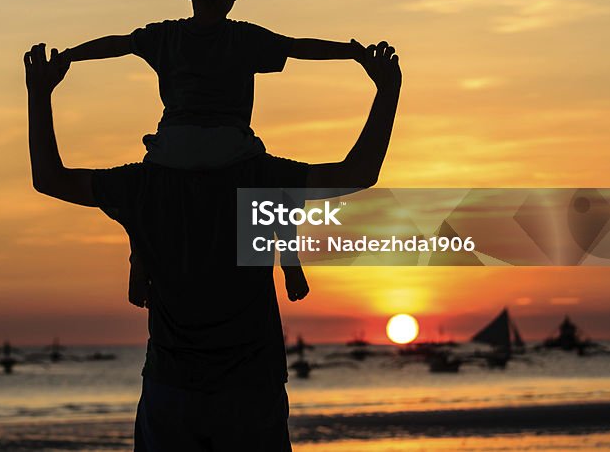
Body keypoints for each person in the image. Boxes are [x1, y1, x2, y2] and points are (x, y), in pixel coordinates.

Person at [25, 36, 400, 451]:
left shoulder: (141, 185)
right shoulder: (262, 179)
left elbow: (50, 177)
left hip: (172, 389)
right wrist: (386, 91)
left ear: (168, 92)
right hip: (251, 389)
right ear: (244, 94)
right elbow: (358, 172)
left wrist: (40, 94)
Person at [60, 0, 367, 307]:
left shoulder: (164, 36)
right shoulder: (245, 39)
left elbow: (117, 44)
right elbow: (299, 47)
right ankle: (288, 261)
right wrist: (352, 53)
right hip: (231, 147)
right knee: (271, 190)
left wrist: (69, 56)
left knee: (142, 199)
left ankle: (139, 262)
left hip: (173, 147)